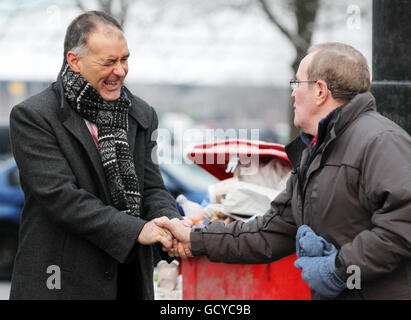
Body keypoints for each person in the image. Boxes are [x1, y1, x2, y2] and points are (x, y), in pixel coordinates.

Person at [156, 42, 411, 300]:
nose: (292, 94)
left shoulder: (381, 141)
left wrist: (338, 269)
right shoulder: (315, 153)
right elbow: (269, 231)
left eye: (297, 84)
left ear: (320, 91)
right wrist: (194, 238)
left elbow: (402, 225)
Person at [9, 11, 181, 300]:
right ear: (74, 61)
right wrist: (139, 230)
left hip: (128, 281)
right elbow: (62, 198)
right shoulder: (33, 117)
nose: (121, 71)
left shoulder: (141, 115)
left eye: (124, 59)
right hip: (60, 284)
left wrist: (171, 224)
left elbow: (152, 187)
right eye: (109, 62)